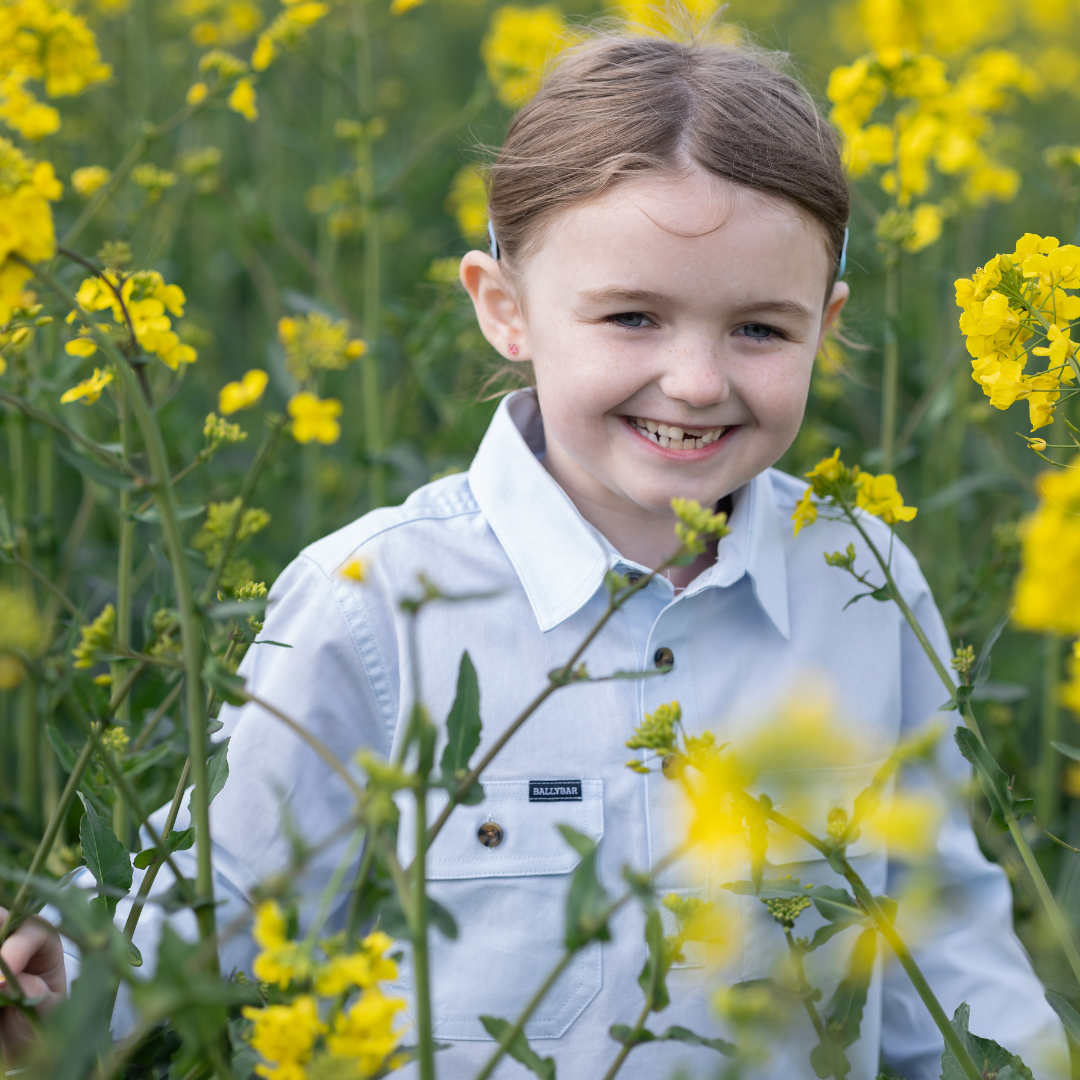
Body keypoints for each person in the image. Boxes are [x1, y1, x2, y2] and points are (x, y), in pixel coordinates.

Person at [0, 26, 1066, 1079]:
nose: (696, 380)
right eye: (634, 317)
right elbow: (220, 890)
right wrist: (62, 971)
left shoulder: (863, 582)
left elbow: (945, 927)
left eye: (760, 331)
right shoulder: (375, 598)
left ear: (826, 327)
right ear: (504, 309)